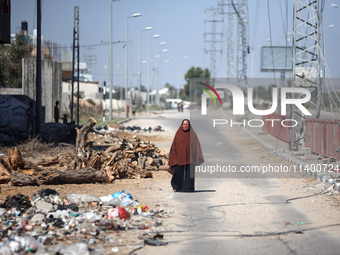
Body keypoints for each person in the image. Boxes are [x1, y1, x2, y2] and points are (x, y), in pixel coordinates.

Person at [169, 119, 204, 192]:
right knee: (177, 171)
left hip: (190, 156)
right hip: (179, 156)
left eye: (186, 124)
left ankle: (188, 188)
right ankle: (176, 186)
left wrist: (197, 155)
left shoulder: (192, 134)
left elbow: (196, 145)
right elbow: (174, 145)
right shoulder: (178, 134)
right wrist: (173, 155)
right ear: (181, 125)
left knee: (189, 172)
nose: (185, 126)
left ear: (189, 125)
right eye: (184, 124)